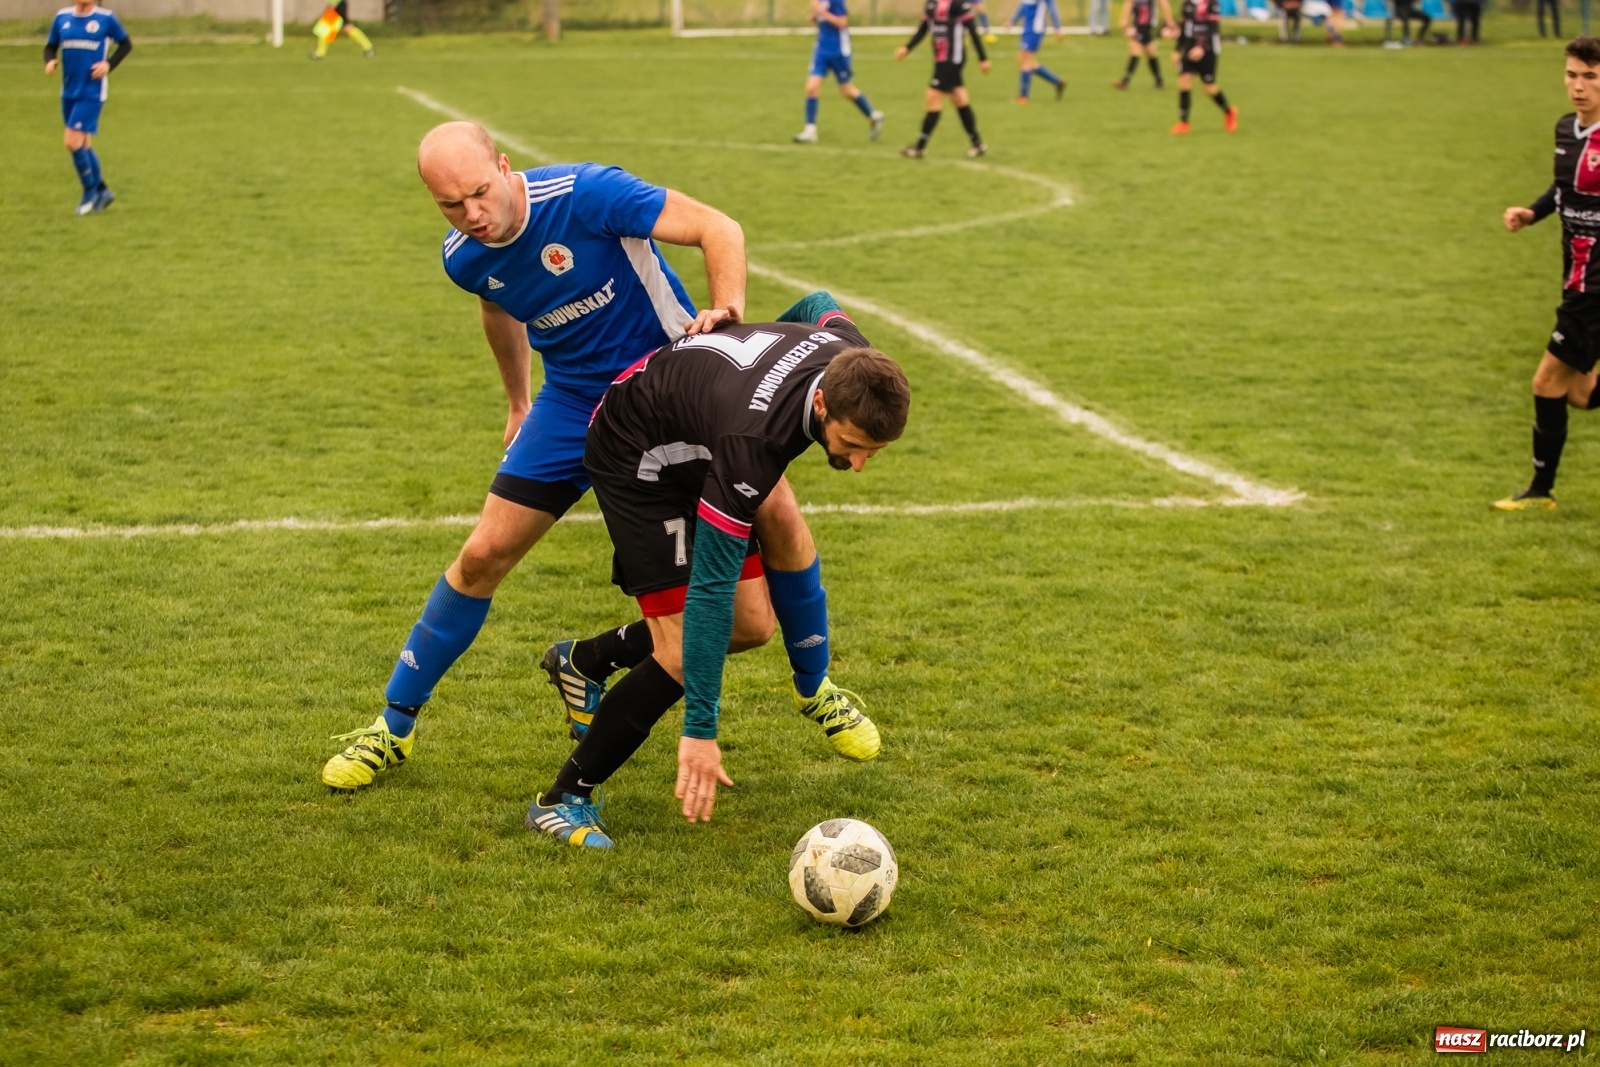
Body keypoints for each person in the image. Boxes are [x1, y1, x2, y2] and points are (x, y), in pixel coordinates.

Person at [321, 122, 877, 789]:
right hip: (574, 405)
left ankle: (813, 687)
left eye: (478, 193)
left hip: (674, 389)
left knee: (773, 538)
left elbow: (718, 227)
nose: (471, 214)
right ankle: (392, 726)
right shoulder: (464, 254)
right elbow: (498, 305)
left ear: (504, 166)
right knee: (482, 555)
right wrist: (518, 401)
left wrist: (727, 308)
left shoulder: (587, 194)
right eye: (450, 204)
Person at [525, 293, 910, 847]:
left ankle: (587, 660)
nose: (857, 463)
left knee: (752, 625)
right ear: (821, 402)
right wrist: (700, 731)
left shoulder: (852, 356)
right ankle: (563, 798)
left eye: (873, 451)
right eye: (851, 445)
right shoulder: (752, 444)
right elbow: (709, 588)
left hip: (698, 428)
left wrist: (729, 308)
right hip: (637, 453)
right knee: (683, 651)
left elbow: (818, 304)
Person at [1494, 38, 1600, 511]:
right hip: (1575, 278)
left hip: (1594, 288)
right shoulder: (1566, 130)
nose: (1578, 87)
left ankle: (1540, 492)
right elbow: (1563, 191)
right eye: (1573, 75)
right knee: (1579, 392)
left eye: (1590, 77)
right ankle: (1541, 491)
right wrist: (1532, 213)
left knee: (1546, 382)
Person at [43, 0, 131, 216]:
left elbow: (126, 44)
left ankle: (89, 193)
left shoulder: (106, 18)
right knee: (83, 144)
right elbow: (50, 46)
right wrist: (50, 61)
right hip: (69, 91)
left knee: (71, 142)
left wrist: (108, 64)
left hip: (92, 93)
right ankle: (103, 190)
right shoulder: (62, 17)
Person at [896, 0, 992, 159]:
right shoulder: (931, 4)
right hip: (941, 60)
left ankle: (919, 148)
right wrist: (907, 48)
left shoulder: (959, 5)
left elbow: (973, 31)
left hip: (953, 60)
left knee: (933, 97)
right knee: (960, 99)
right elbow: (923, 29)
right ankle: (978, 144)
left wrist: (983, 58)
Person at [793, 0, 885, 143]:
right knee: (811, 88)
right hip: (821, 49)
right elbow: (821, 18)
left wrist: (822, 12)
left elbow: (842, 22)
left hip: (839, 51)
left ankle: (873, 115)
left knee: (847, 90)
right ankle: (810, 131)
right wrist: (815, 17)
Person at [1170, 0, 1237, 134]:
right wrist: (1177, 50)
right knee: (1184, 81)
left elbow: (1213, 28)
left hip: (1208, 50)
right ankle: (1184, 122)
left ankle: (1229, 111)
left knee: (1209, 87)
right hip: (1190, 48)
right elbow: (1184, 28)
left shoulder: (1212, 4)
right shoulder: (1187, 4)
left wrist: (1202, 47)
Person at [1010, 0, 1066, 103]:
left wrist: (1057, 28)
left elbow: (1052, 8)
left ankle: (1023, 97)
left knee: (1025, 61)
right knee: (1027, 62)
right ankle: (1057, 81)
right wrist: (1012, 21)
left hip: (1035, 29)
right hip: (1027, 29)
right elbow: (1024, 6)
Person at [1113, 0, 1174, 90]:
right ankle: (1159, 81)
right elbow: (1129, 3)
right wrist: (1124, 19)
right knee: (1150, 51)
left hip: (1147, 24)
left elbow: (1163, 3)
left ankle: (1125, 81)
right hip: (1137, 23)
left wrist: (1169, 20)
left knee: (1135, 48)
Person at [310, 0, 374, 60]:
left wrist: (332, 5)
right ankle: (368, 47)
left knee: (325, 28)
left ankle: (320, 53)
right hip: (337, 4)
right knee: (327, 28)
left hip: (337, 5)